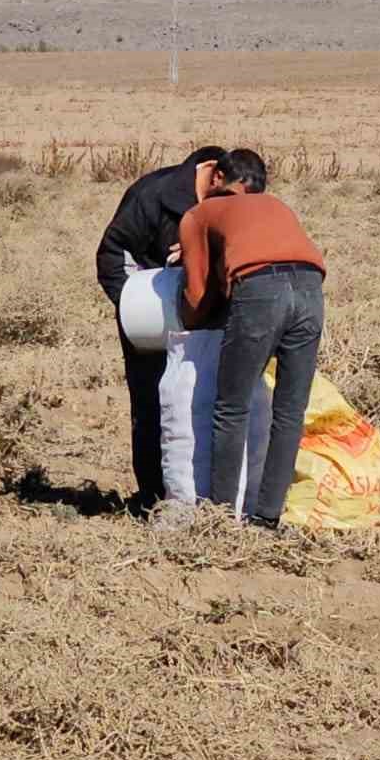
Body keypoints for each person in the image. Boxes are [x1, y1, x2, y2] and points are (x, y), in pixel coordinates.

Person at [178, 149, 327, 529]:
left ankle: (221, 518)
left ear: (218, 180)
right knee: (290, 411)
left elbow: (195, 296)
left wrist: (192, 318)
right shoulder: (276, 204)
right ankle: (267, 517)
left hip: (261, 291)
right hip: (311, 289)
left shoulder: (198, 214)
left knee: (232, 407)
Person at [96, 145, 229, 510]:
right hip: (148, 319)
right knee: (152, 405)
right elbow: (111, 253)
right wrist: (136, 302)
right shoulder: (152, 194)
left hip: (208, 318)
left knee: (208, 402)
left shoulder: (228, 199)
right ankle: (155, 498)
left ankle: (207, 496)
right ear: (213, 171)